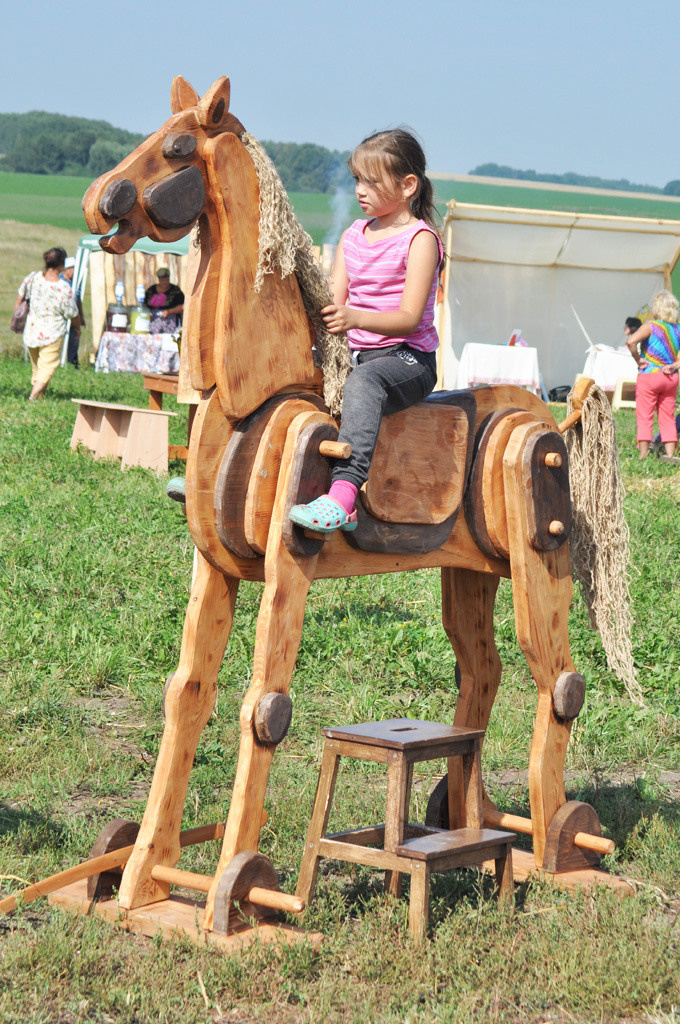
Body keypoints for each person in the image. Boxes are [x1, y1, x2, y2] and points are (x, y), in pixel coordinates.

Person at [290, 128, 443, 533]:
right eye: (357, 179)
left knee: (363, 381)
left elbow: (410, 317)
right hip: (358, 357)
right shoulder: (353, 236)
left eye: (372, 181)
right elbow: (333, 304)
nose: (360, 189)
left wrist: (354, 317)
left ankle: (343, 495)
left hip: (407, 358)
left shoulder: (421, 239)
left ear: (408, 185)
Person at [14, 247, 78, 400]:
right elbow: (72, 312)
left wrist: (17, 317)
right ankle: (33, 397)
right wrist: (77, 328)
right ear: (61, 266)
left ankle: (40, 397)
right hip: (52, 332)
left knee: (37, 367)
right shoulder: (63, 287)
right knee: (47, 367)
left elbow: (20, 297)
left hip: (32, 330)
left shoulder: (33, 277)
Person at [625, 291, 680, 458]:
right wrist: (672, 366)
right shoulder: (677, 329)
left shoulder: (651, 326)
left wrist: (638, 359)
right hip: (670, 378)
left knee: (645, 416)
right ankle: (670, 456)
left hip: (650, 376)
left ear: (658, 308)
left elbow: (631, 341)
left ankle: (643, 455)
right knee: (667, 417)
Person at [60, 256, 86, 368]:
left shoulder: (76, 282)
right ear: (67, 269)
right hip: (63, 315)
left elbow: (78, 299)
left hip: (74, 315)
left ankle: (73, 363)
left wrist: (81, 316)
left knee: (74, 338)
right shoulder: (60, 281)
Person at [144, 268, 184, 333]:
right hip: (152, 321)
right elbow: (144, 305)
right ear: (158, 279)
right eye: (162, 280)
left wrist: (169, 312)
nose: (165, 282)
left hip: (170, 321)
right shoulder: (151, 290)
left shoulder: (175, 291)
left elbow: (182, 307)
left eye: (167, 279)